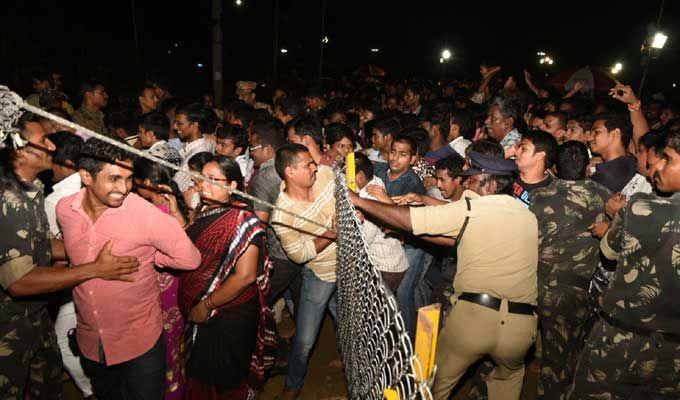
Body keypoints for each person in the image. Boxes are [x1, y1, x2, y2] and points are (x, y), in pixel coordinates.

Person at [350, 151, 539, 400]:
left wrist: (359, 201)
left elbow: (410, 220)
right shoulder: (528, 216)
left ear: (489, 184)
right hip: (521, 328)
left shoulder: (473, 209)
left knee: (434, 387)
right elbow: (458, 233)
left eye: (471, 179)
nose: (466, 183)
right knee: (507, 383)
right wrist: (423, 203)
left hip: (474, 319)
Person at [0, 113, 139, 400]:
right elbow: (20, 282)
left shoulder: (31, 188)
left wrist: (92, 243)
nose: (52, 146)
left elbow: (40, 244)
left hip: (36, 318)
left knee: (48, 389)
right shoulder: (7, 200)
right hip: (8, 328)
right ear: (18, 150)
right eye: (42, 141)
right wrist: (94, 268)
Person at [56, 138, 201, 400]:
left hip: (140, 342)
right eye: (113, 179)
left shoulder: (146, 215)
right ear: (86, 176)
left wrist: (154, 257)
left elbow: (190, 259)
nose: (124, 188)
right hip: (92, 342)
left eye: (129, 178)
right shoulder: (65, 210)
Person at [567, 131, 680, 399]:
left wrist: (614, 217)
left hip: (619, 339)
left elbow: (609, 250)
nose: (659, 165)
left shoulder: (640, 208)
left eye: (669, 158)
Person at [178, 156, 275, 399]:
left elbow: (245, 276)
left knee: (224, 378)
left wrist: (206, 305)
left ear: (232, 186)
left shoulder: (243, 221)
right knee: (200, 374)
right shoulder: (204, 210)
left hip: (229, 313)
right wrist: (191, 212)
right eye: (201, 179)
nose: (203, 185)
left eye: (213, 180)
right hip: (202, 305)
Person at [529, 141, 610, 399]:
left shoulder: (539, 198)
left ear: (554, 167)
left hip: (542, 286)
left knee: (553, 358)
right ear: (587, 167)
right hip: (583, 290)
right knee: (572, 355)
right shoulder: (605, 196)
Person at [270, 144, 338, 399]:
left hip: (350, 268)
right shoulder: (282, 214)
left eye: (314, 162)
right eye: (308, 164)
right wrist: (332, 234)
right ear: (290, 171)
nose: (316, 167)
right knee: (305, 340)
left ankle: (348, 361)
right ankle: (293, 385)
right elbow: (299, 254)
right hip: (320, 275)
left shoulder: (326, 177)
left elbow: (348, 196)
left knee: (348, 323)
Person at [132, 158, 189, 400]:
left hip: (160, 286)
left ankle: (171, 390)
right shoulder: (172, 203)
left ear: (146, 182)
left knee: (164, 343)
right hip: (176, 283)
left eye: (134, 182)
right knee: (175, 341)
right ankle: (176, 385)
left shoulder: (152, 213)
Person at [43, 132, 94, 399]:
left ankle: (92, 390)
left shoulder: (55, 201)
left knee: (61, 342)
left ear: (65, 163)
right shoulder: (93, 182)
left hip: (75, 280)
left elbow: (50, 251)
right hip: (97, 277)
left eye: (51, 158)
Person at [247, 120, 301, 312]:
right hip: (303, 247)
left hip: (280, 251)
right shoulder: (293, 165)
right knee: (298, 300)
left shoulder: (264, 176)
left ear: (268, 148)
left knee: (259, 299)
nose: (250, 152)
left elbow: (260, 221)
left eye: (253, 147)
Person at [354, 152, 409, 293]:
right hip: (390, 262)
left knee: (376, 311)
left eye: (347, 175)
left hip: (386, 267)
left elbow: (364, 240)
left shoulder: (371, 199)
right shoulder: (374, 182)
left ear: (359, 176)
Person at [173, 103, 216, 196]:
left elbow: (175, 187)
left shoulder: (196, 153)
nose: (175, 127)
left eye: (179, 124)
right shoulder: (206, 141)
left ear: (195, 125)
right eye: (175, 123)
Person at [512, 130, 557, 207]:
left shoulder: (550, 192)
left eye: (524, 149)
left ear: (540, 156)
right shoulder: (508, 173)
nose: (516, 152)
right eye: (519, 147)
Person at [485, 92, 523, 157]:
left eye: (493, 118)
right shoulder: (505, 143)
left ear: (508, 122)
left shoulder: (511, 147)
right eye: (488, 117)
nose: (486, 121)